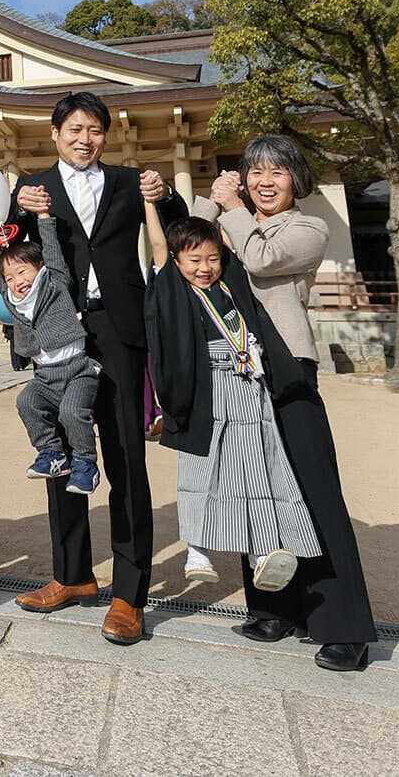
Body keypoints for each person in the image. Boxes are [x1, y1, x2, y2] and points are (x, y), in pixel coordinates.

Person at [191, 133, 377, 672]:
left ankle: (344, 628)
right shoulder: (232, 221)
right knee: (257, 490)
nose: (264, 182)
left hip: (286, 365)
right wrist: (213, 200)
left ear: (297, 179)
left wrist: (232, 208)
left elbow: (261, 258)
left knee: (315, 489)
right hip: (235, 367)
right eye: (255, 172)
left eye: (277, 172)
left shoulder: (307, 228)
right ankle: (275, 609)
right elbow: (190, 250)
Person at [9, 91, 183, 646]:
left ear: (105, 136)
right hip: (58, 333)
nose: (85, 139)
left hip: (119, 329)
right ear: (55, 133)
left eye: (95, 130)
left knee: (126, 456)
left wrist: (167, 193)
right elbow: (9, 253)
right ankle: (72, 575)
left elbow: (177, 228)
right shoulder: (34, 187)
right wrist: (16, 210)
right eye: (75, 129)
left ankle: (130, 593)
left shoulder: (131, 182)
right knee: (60, 451)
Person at [143, 210, 313, 598]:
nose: (205, 268)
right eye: (194, 260)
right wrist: (150, 202)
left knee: (258, 466)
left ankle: (263, 550)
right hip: (204, 390)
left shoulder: (232, 285)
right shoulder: (173, 289)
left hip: (248, 385)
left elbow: (233, 250)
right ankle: (197, 550)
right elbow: (158, 243)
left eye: (213, 259)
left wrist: (228, 205)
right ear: (176, 260)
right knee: (202, 467)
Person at [0, 212, 98, 493]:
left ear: (39, 267)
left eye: (22, 271)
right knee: (26, 401)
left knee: (72, 412)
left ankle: (86, 463)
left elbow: (52, 251)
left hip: (77, 370)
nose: (17, 281)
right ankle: (52, 453)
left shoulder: (54, 282)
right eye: (10, 278)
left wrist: (44, 218)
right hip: (45, 377)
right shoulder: (12, 301)